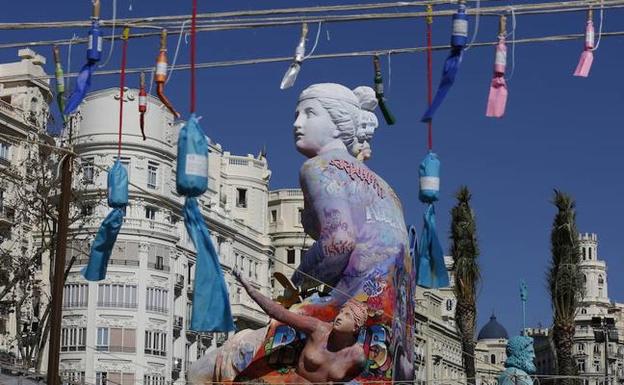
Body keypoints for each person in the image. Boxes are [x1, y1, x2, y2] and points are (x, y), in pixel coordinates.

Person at [233, 270, 367, 384]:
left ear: (356, 327)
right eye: (341, 312)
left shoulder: (358, 357)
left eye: (347, 315)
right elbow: (280, 313)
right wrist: (250, 289)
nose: (340, 317)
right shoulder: (319, 329)